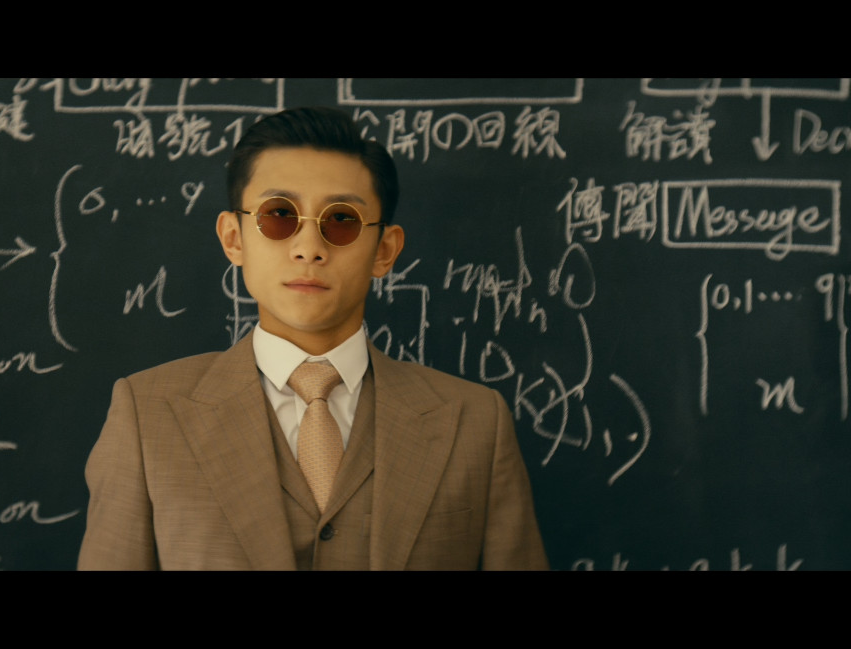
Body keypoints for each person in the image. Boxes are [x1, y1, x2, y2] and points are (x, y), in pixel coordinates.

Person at [78, 106, 548, 570]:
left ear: (384, 251)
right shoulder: (147, 416)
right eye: (279, 215)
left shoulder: (475, 423)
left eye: (341, 220)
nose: (308, 249)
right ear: (234, 238)